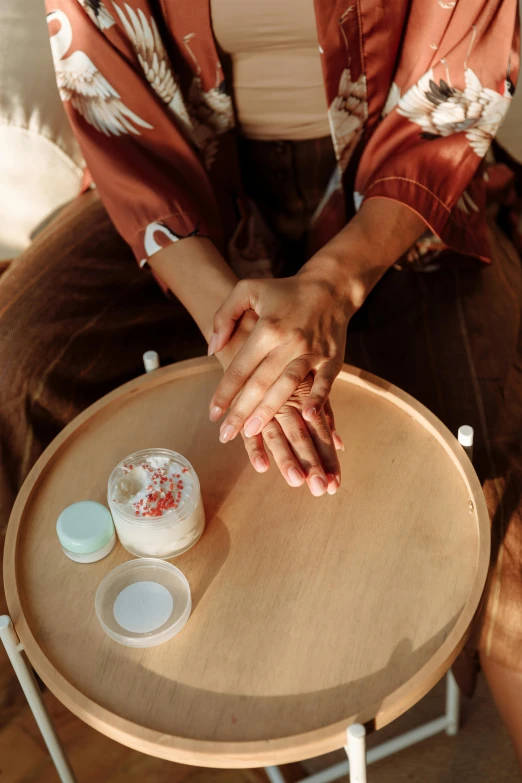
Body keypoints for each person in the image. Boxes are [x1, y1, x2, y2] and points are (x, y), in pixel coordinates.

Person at [0, 0, 521, 768]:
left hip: (396, 199)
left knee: (512, 516)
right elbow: (104, 84)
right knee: (16, 365)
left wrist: (336, 285)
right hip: (188, 191)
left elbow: (455, 80)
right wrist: (233, 327)